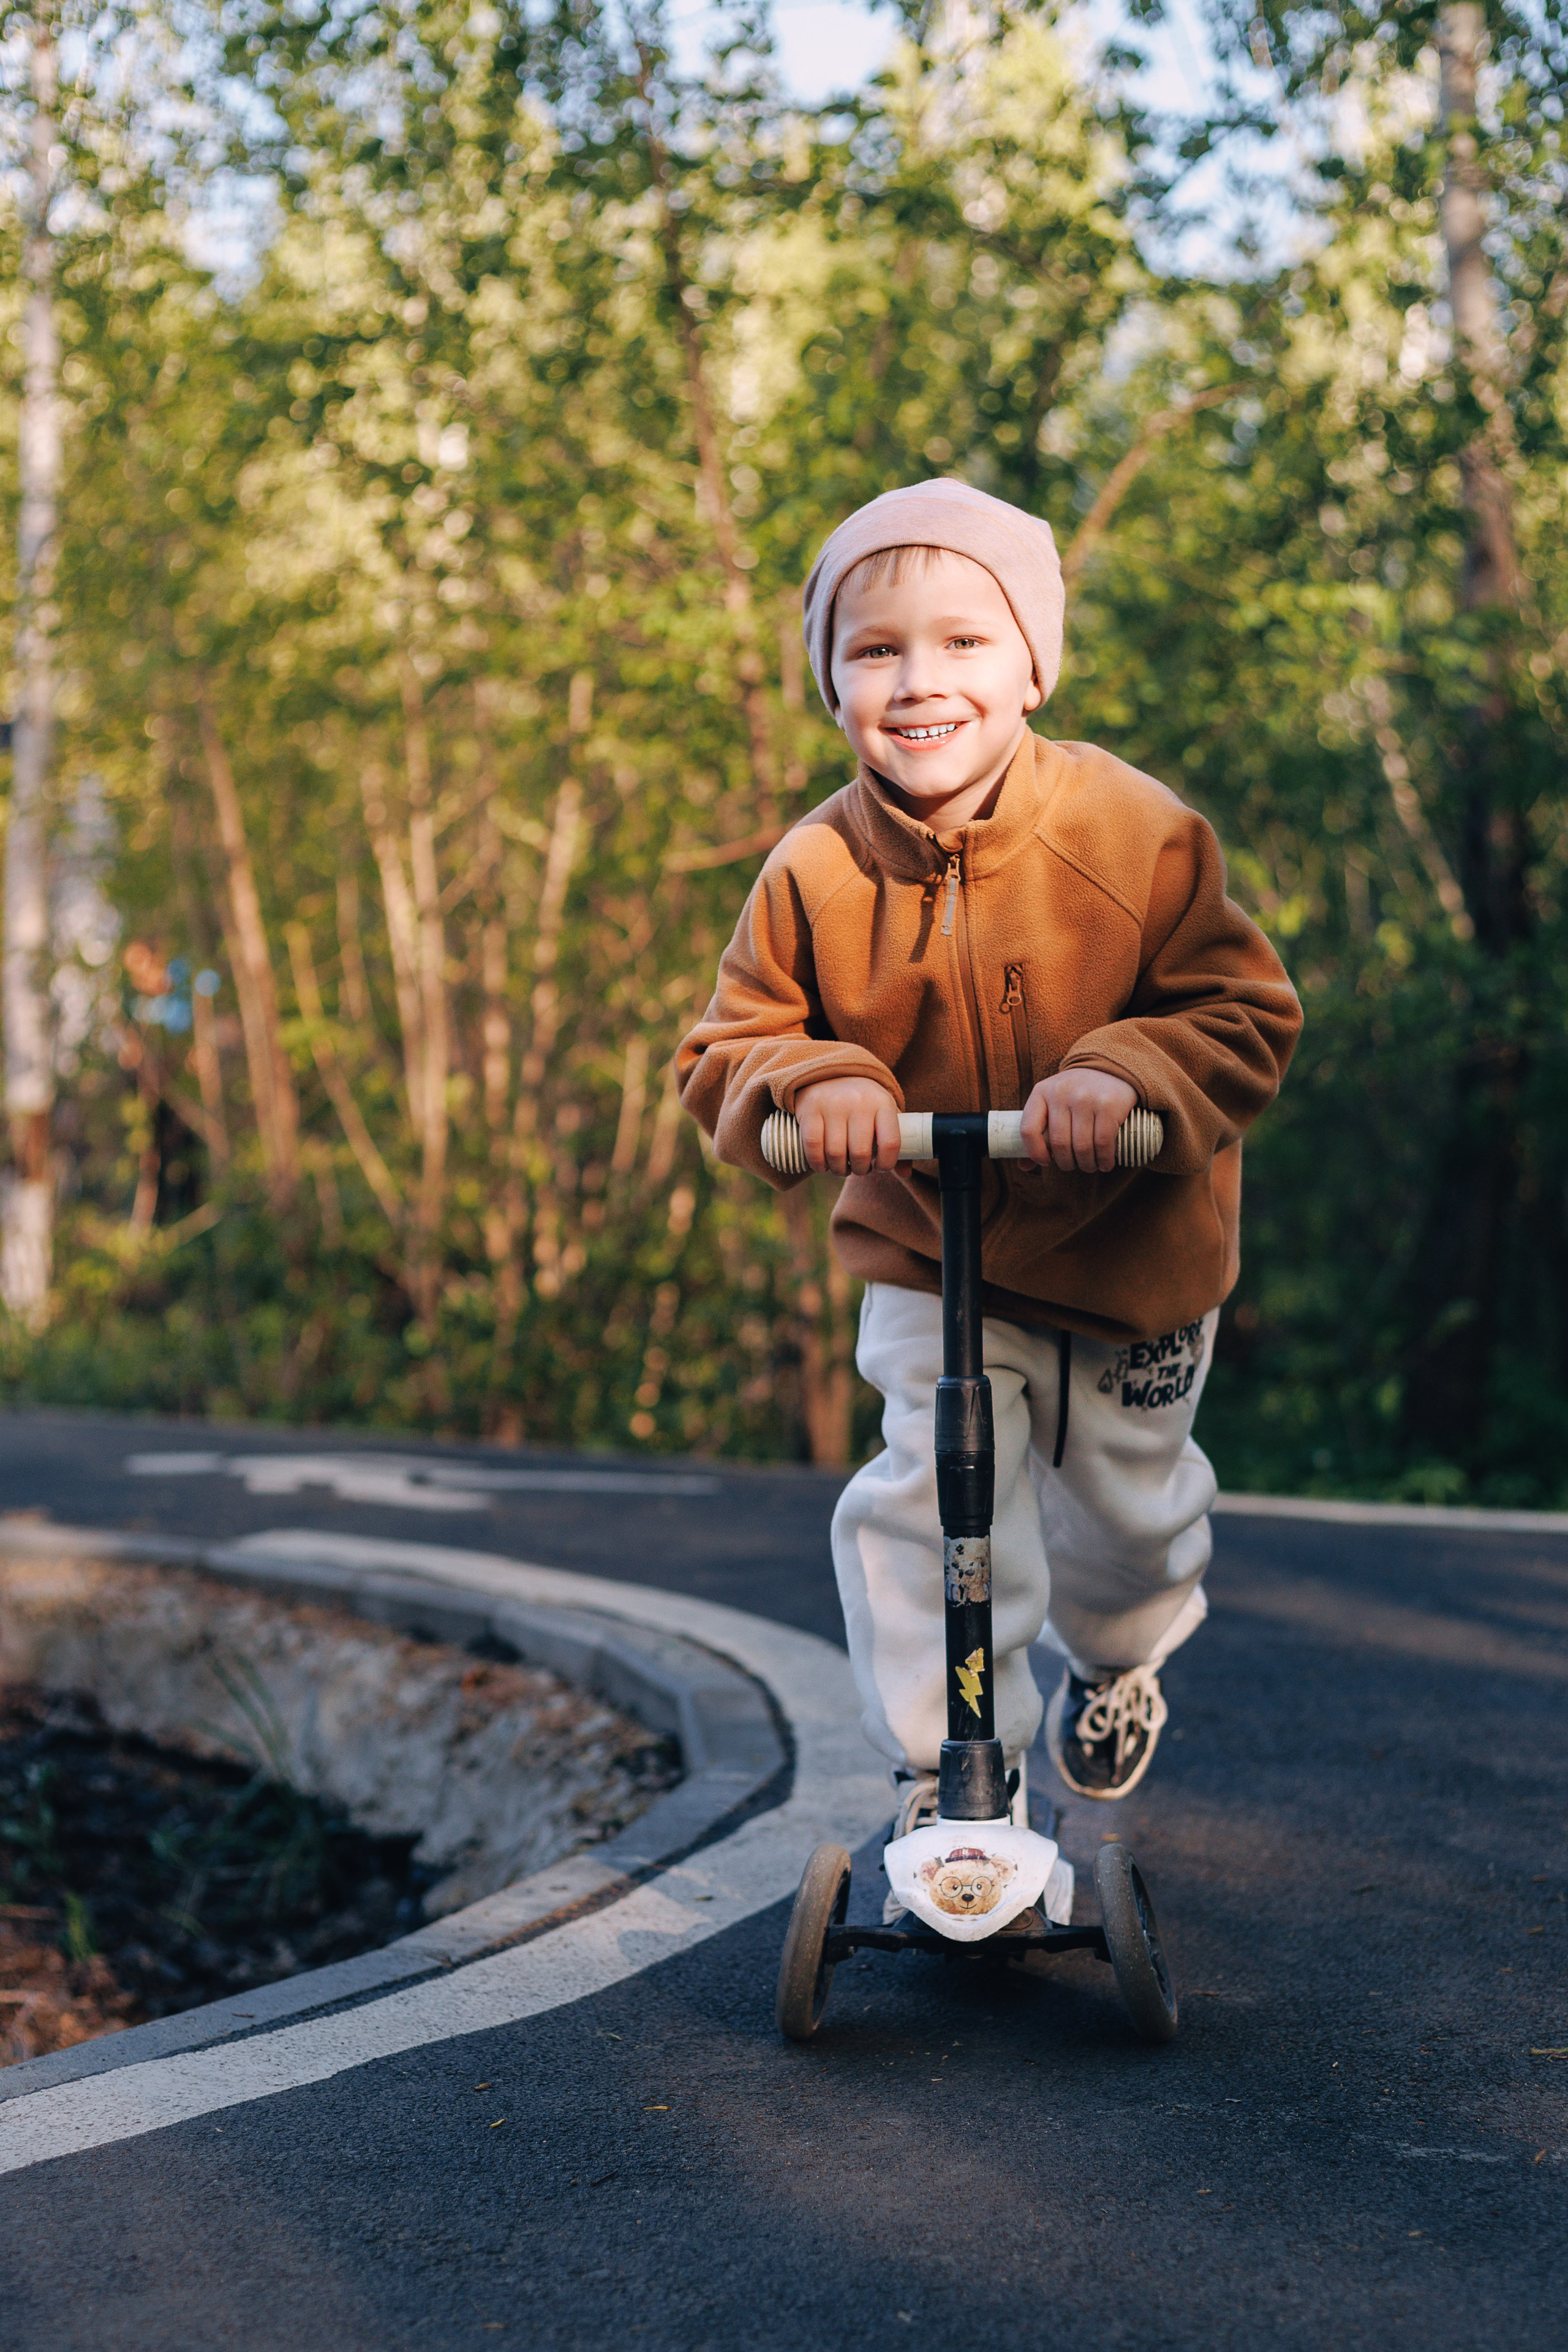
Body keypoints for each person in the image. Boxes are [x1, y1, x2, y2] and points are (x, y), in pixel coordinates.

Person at [677, 478, 1301, 1846]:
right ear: (830, 681)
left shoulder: (1126, 831)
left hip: (1134, 1264)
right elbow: (725, 1049)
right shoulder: (813, 870)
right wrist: (814, 1077)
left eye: (963, 641)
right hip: (927, 1248)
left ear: (1031, 663)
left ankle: (1121, 1653)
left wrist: (1121, 1073)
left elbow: (1241, 1014)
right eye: (875, 649)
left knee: (1120, 1533)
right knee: (925, 1502)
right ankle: (948, 1771)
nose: (918, 682)